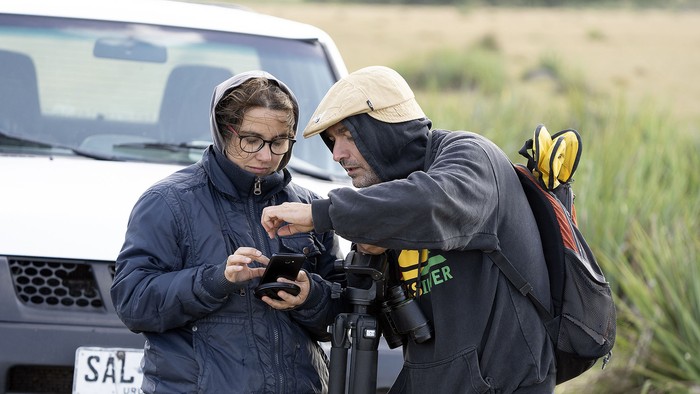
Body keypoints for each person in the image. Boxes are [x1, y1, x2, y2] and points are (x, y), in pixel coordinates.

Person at [260, 66, 557, 393]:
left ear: (385, 127)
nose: (338, 155)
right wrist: (310, 294)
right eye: (332, 142)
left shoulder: (469, 155)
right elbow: (363, 304)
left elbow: (432, 204)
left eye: (347, 134)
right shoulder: (385, 203)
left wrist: (321, 212)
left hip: (505, 383)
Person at [110, 70, 345, 393]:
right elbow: (133, 302)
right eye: (251, 141)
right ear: (222, 133)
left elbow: (344, 313)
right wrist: (215, 280)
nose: (266, 155)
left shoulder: (308, 209)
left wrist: (310, 296)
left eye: (279, 142)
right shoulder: (167, 202)